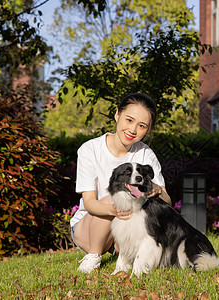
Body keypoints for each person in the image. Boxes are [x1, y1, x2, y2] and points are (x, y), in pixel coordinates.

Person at [70, 93, 171, 273]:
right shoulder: (90, 149)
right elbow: (89, 203)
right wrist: (113, 210)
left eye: (142, 126)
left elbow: (167, 202)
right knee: (115, 195)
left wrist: (157, 190)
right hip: (89, 227)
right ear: (117, 115)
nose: (133, 130)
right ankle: (93, 256)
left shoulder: (146, 154)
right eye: (129, 120)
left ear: (147, 130)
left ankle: (123, 254)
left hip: (125, 227)